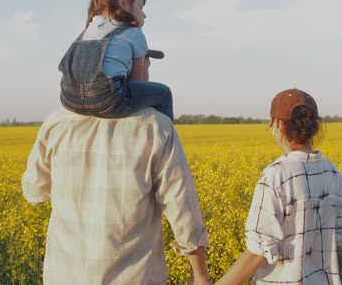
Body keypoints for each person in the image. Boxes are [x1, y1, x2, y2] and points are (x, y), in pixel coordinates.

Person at [21, 106, 210, 284]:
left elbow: (34, 192)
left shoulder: (58, 122)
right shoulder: (154, 125)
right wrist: (200, 275)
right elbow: (183, 212)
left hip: (64, 277)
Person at [216, 88, 342, 285]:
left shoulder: (275, 176)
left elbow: (258, 251)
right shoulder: (334, 174)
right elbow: (341, 240)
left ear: (278, 125)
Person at [58, 0, 174, 121]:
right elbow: (137, 83)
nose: (144, 14)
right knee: (164, 93)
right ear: (123, 3)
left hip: (69, 98)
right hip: (107, 101)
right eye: (141, 7)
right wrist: (145, 64)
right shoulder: (134, 32)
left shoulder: (89, 28)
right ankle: (168, 139)